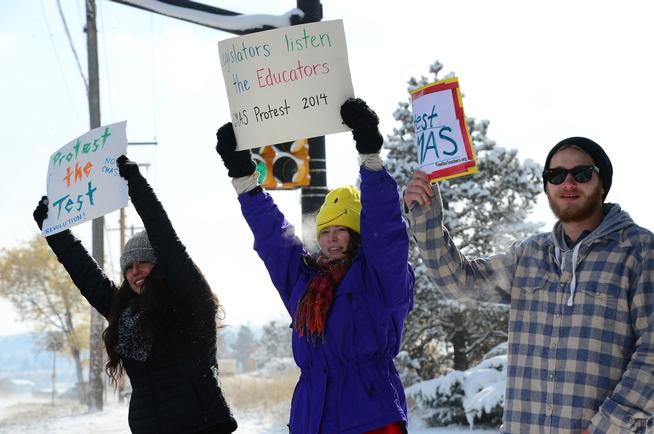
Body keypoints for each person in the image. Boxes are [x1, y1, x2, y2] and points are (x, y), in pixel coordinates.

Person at [403, 137, 654, 433]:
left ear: (602, 183)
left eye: (582, 173)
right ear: (547, 188)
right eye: (556, 175)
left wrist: (608, 426)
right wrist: (424, 215)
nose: (568, 182)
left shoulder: (639, 251)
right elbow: (459, 282)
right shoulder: (529, 256)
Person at [215, 98, 414, 434]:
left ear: (358, 235)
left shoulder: (380, 279)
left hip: (370, 419)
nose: (332, 239)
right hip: (313, 417)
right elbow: (273, 239)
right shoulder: (304, 282)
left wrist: (370, 155)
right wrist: (244, 178)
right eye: (325, 232)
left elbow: (387, 232)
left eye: (341, 231)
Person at [33, 155, 237, 434]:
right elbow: (86, 275)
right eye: (128, 266)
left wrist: (135, 185)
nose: (134, 271)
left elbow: (165, 237)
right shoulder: (125, 313)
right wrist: (54, 231)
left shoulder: (191, 300)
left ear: (162, 266)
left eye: (143, 262)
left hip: (201, 425)